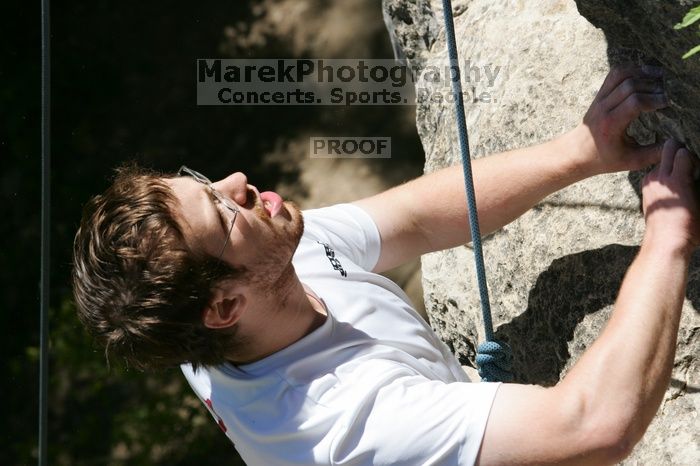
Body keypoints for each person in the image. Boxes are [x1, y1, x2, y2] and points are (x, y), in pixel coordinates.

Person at [73, 65, 699, 465]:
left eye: (204, 182)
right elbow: (593, 424)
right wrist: (668, 235)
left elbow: (418, 218)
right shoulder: (349, 425)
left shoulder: (245, 284)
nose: (236, 182)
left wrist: (579, 151)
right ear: (225, 307)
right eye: (221, 212)